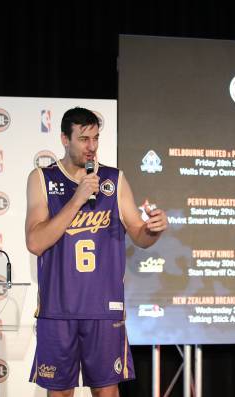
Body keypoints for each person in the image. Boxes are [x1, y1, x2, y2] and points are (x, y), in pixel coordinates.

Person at [26, 107, 167, 397]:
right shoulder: (42, 178)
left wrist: (153, 229)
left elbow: (140, 235)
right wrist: (76, 200)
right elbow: (35, 242)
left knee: (106, 391)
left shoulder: (113, 180)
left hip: (103, 308)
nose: (91, 147)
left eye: (96, 138)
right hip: (58, 308)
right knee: (60, 393)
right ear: (65, 139)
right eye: (83, 139)